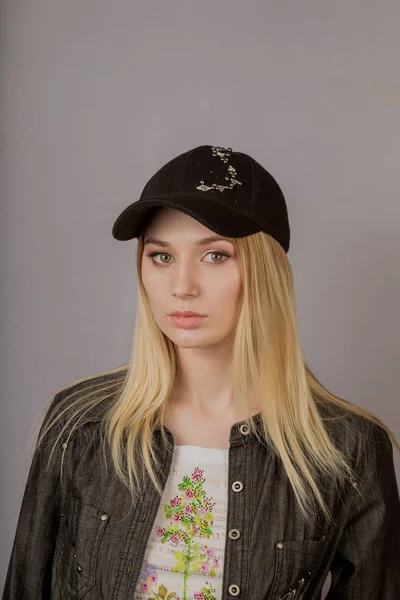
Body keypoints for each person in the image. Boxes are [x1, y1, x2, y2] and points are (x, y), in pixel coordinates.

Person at [3, 144, 400, 600]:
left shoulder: (345, 448)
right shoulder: (80, 424)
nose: (182, 287)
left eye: (215, 256)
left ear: (265, 271)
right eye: (161, 256)